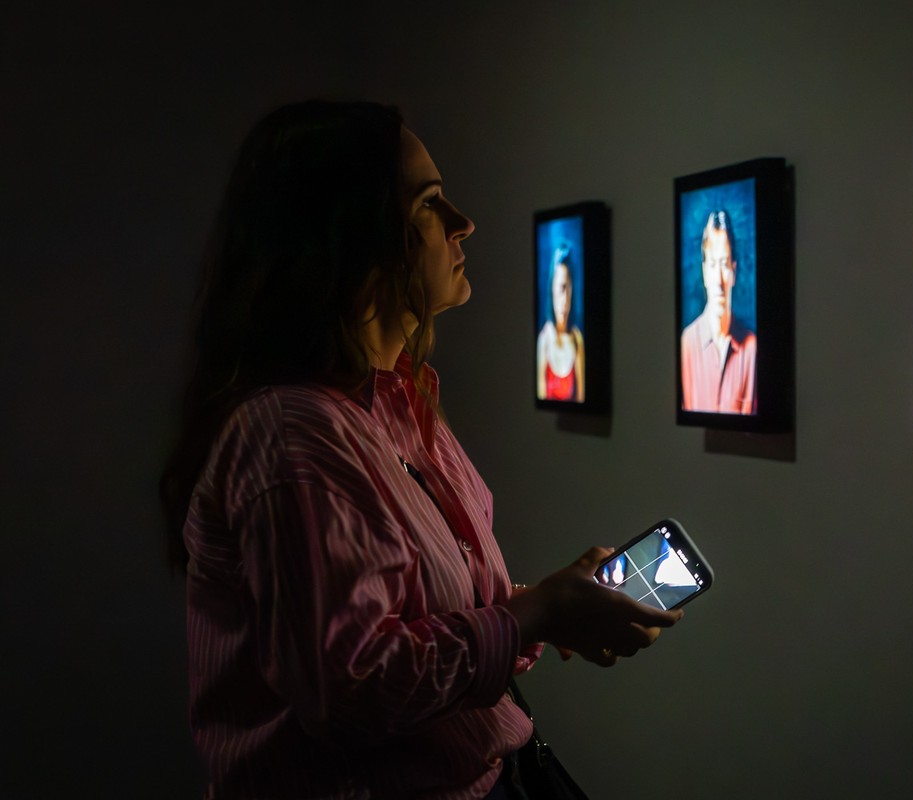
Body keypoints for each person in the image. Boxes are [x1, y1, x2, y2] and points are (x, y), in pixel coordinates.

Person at [159, 100, 681, 799]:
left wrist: (552, 603)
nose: (463, 223)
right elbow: (349, 687)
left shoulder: (398, 405)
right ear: (353, 238)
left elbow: (407, 618)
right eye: (431, 203)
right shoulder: (290, 434)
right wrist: (540, 614)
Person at [679, 209, 757, 414]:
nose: (718, 279)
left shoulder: (750, 348)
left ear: (734, 270)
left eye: (724, 265)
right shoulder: (687, 343)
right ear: (704, 272)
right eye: (713, 265)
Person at [535, 244, 585, 402]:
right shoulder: (544, 339)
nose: (564, 299)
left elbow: (581, 397)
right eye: (560, 289)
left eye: (568, 289)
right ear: (552, 290)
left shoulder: (576, 339)